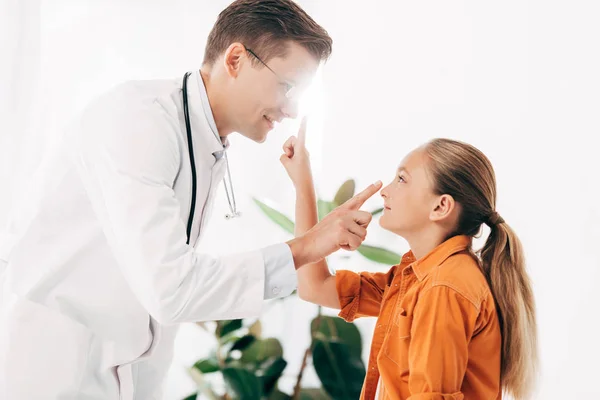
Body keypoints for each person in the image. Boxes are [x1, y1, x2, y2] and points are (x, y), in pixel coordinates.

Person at [0, 1, 378, 399]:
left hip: (121, 374)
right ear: (235, 59)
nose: (291, 109)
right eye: (287, 87)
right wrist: (307, 245)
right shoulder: (139, 121)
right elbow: (172, 289)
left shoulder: (204, 140)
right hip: (55, 369)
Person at [280, 130, 539, 399]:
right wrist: (304, 185)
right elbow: (314, 286)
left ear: (441, 207)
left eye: (402, 179)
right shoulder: (416, 278)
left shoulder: (444, 287)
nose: (386, 191)